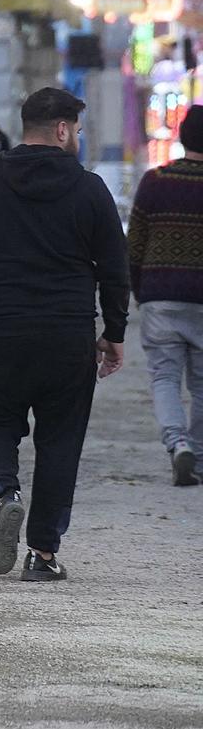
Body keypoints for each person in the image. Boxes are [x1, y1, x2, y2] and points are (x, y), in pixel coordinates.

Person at [0, 87, 128, 583]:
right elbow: (115, 269)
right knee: (61, 443)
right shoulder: (90, 190)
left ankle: (5, 494)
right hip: (67, 338)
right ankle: (42, 554)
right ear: (62, 130)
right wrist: (115, 332)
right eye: (77, 131)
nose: (77, 139)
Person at [127, 105, 203, 486]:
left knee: (165, 377)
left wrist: (140, 291)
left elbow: (135, 244)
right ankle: (200, 458)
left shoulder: (155, 180)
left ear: (181, 136)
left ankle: (177, 445)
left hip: (160, 295)